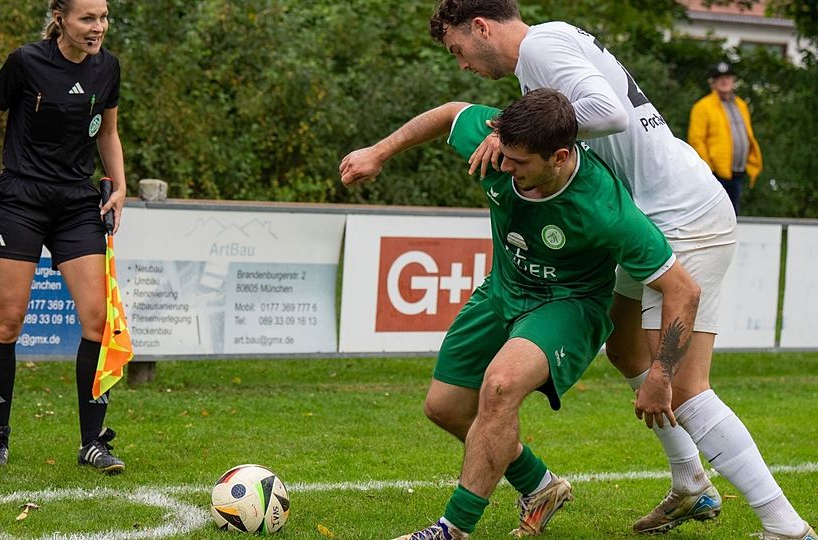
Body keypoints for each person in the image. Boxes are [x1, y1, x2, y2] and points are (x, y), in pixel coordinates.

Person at [427, 1, 814, 538]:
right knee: (626, 346)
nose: (463, 64)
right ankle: (691, 483)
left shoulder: (539, 49)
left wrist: (524, 139)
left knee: (683, 384)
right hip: (657, 209)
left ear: (482, 28)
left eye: (458, 50)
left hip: (681, 216)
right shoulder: (549, 42)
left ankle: (785, 526)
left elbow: (609, 113)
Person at [341, 88, 701, 539]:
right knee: (445, 408)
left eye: (520, 162)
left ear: (560, 156)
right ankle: (540, 486)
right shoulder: (500, 144)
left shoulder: (606, 210)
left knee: (500, 386)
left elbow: (683, 290)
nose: (505, 167)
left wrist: (661, 375)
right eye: (504, 154)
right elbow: (451, 113)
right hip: (502, 290)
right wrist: (378, 153)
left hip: (566, 304)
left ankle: (451, 530)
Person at [0, 0, 128, 474]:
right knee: (8, 322)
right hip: (21, 202)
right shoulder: (25, 61)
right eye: (88, 18)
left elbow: (107, 131)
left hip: (76, 204)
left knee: (97, 321)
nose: (97, 28)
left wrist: (119, 184)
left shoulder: (108, 67)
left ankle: (93, 443)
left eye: (103, 18)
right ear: (61, 18)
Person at [689, 61, 763, 214]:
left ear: (734, 80)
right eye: (719, 78)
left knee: (732, 215)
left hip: (738, 172)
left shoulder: (741, 104)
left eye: (728, 77)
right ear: (713, 83)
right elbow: (696, 140)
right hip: (715, 175)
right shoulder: (703, 107)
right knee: (715, 216)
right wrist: (708, 169)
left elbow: (746, 134)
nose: (724, 81)